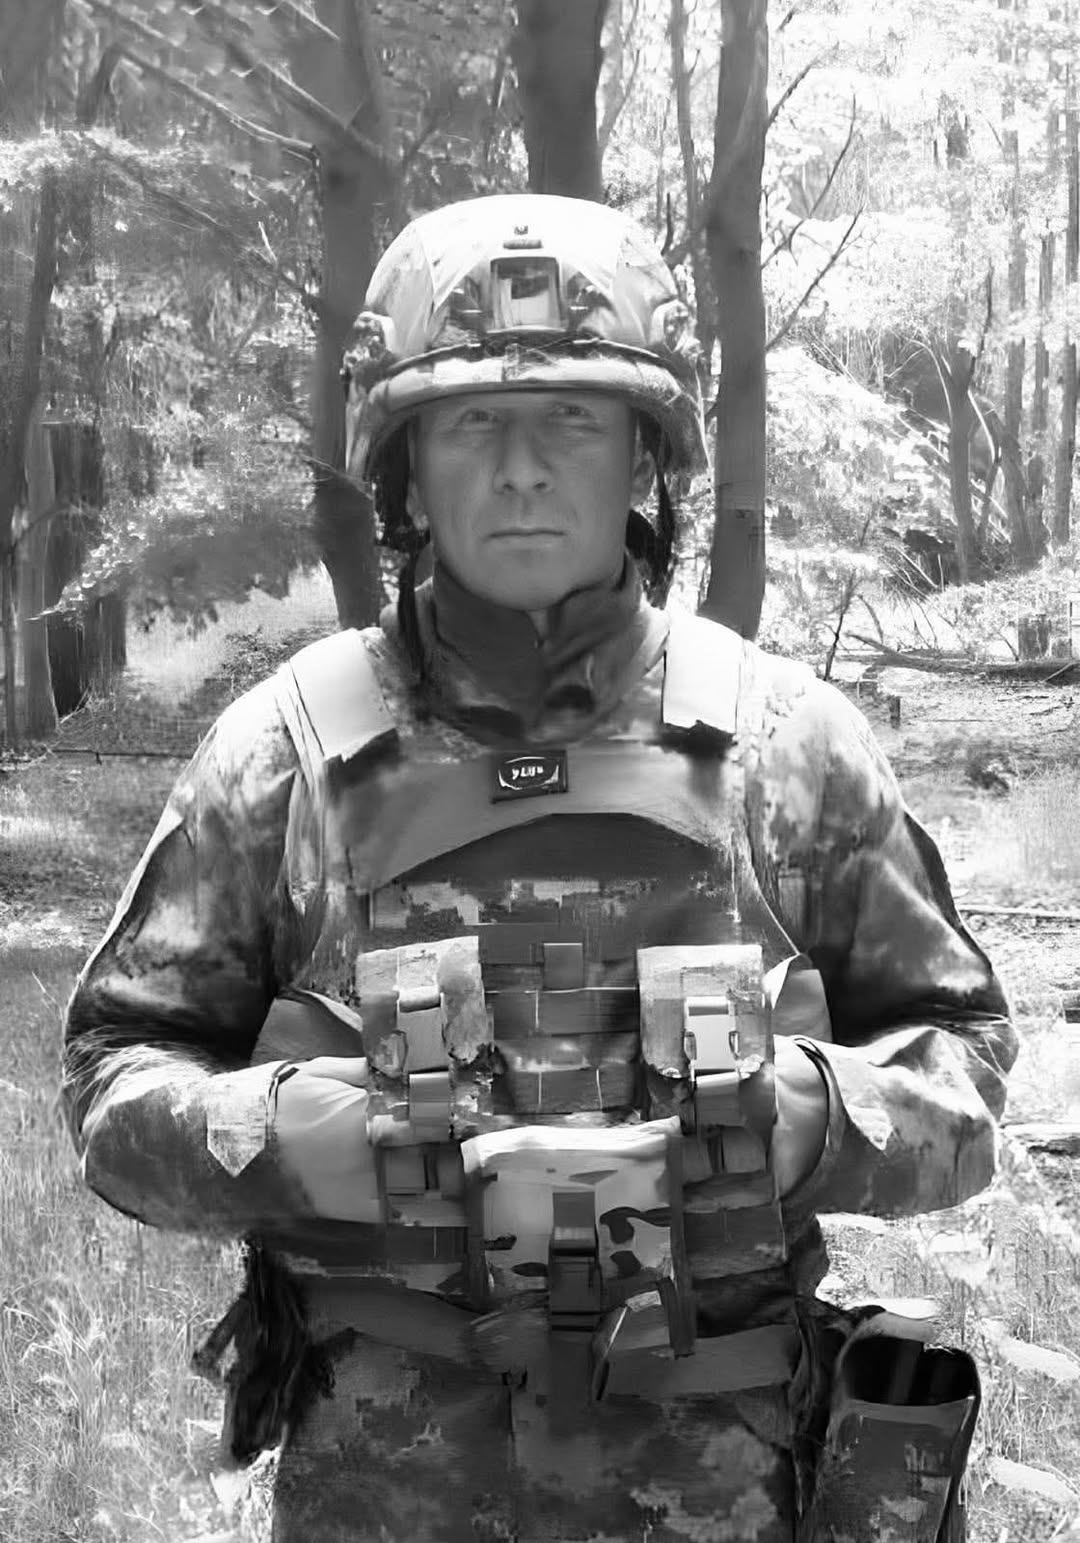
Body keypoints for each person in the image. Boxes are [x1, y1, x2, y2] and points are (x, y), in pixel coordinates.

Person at [62, 194, 1017, 1543]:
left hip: (725, 1489)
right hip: (384, 1496)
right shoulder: (283, 756)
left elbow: (966, 1073)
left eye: (571, 417)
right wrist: (289, 1140)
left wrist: (809, 1118)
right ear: (405, 466)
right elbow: (112, 1081)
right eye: (470, 423)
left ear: (642, 452)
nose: (521, 468)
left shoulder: (790, 747)